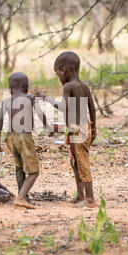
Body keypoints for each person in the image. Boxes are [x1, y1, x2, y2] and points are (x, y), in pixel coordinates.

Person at [37, 51, 97, 207]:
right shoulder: (84, 87)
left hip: (79, 130)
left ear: (63, 70)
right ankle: (80, 195)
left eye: (58, 74)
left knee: (82, 163)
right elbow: (92, 108)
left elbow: (63, 107)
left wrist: (47, 99)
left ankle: (90, 199)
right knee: (75, 162)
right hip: (83, 128)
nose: (59, 78)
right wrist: (94, 127)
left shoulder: (69, 87)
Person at [0, 72, 53, 209]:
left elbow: (0, 121)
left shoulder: (6, 101)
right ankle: (21, 197)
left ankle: (23, 196)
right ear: (26, 87)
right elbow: (40, 113)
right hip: (24, 138)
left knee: (19, 166)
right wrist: (49, 127)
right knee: (34, 172)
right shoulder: (30, 98)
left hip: (10, 138)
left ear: (9, 89)